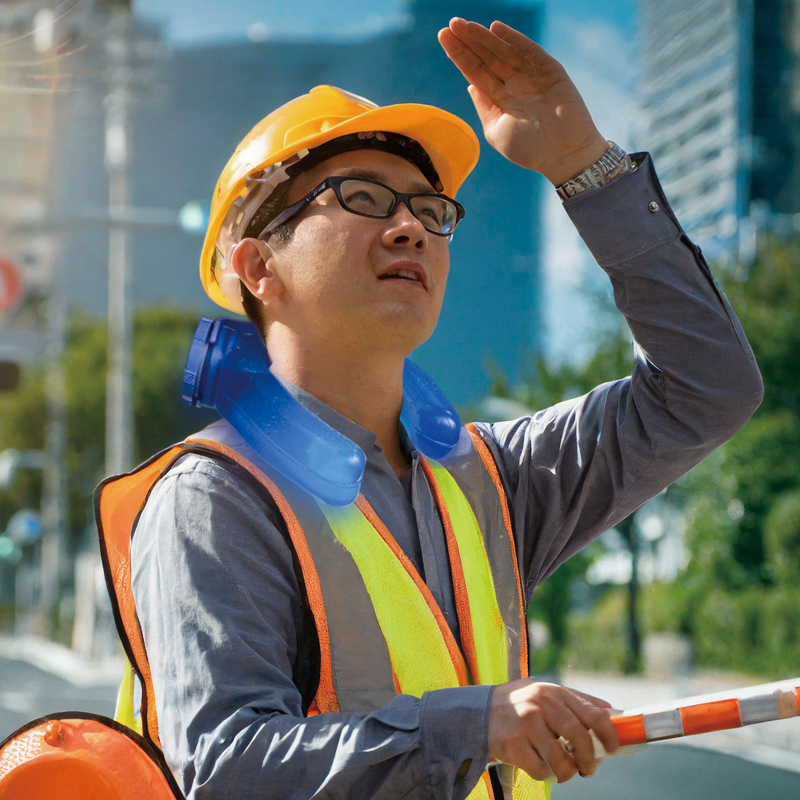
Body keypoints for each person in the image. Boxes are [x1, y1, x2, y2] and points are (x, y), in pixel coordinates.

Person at [124, 17, 763, 800]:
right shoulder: (215, 497)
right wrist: (475, 725)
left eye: (431, 211)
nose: (410, 227)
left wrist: (584, 168)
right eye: (362, 197)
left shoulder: (492, 477)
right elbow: (228, 772)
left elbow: (709, 388)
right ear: (258, 266)